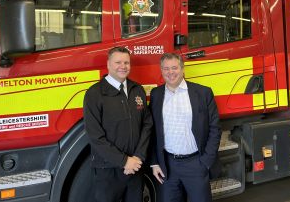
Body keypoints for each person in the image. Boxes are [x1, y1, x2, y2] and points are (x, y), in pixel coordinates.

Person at [83, 46, 153, 202]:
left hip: (136, 167)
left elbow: (147, 125)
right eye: (118, 62)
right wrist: (124, 161)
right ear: (108, 64)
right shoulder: (94, 94)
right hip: (108, 170)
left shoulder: (137, 89)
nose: (123, 66)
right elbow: (94, 136)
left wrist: (138, 157)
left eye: (126, 62)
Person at [150, 53, 222, 202]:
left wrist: (206, 162)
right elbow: (152, 132)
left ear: (183, 69)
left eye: (175, 67)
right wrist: (155, 162)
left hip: (196, 164)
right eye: (166, 68)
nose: (171, 72)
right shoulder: (156, 94)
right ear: (161, 71)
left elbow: (215, 128)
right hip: (167, 166)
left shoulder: (203, 93)